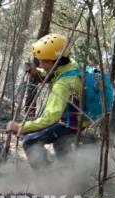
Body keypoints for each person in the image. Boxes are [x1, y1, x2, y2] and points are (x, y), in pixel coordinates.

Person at [6, 34, 86, 169]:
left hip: (70, 123)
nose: (41, 64)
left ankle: (45, 177)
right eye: (40, 61)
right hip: (76, 118)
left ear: (56, 61)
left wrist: (22, 127)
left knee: (30, 142)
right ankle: (69, 176)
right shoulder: (70, 64)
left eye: (45, 62)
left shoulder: (63, 84)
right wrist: (36, 71)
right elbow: (53, 74)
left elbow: (50, 118)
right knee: (61, 146)